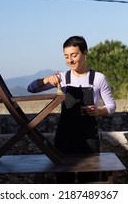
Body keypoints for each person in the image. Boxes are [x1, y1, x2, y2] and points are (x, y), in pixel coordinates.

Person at [27, 36, 116, 183]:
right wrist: (46, 80)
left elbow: (112, 106)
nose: (70, 60)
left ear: (85, 53)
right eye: (66, 56)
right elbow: (31, 88)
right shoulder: (62, 77)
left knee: (89, 183)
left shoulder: (98, 78)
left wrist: (100, 111)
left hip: (89, 138)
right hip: (64, 138)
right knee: (64, 182)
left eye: (74, 55)